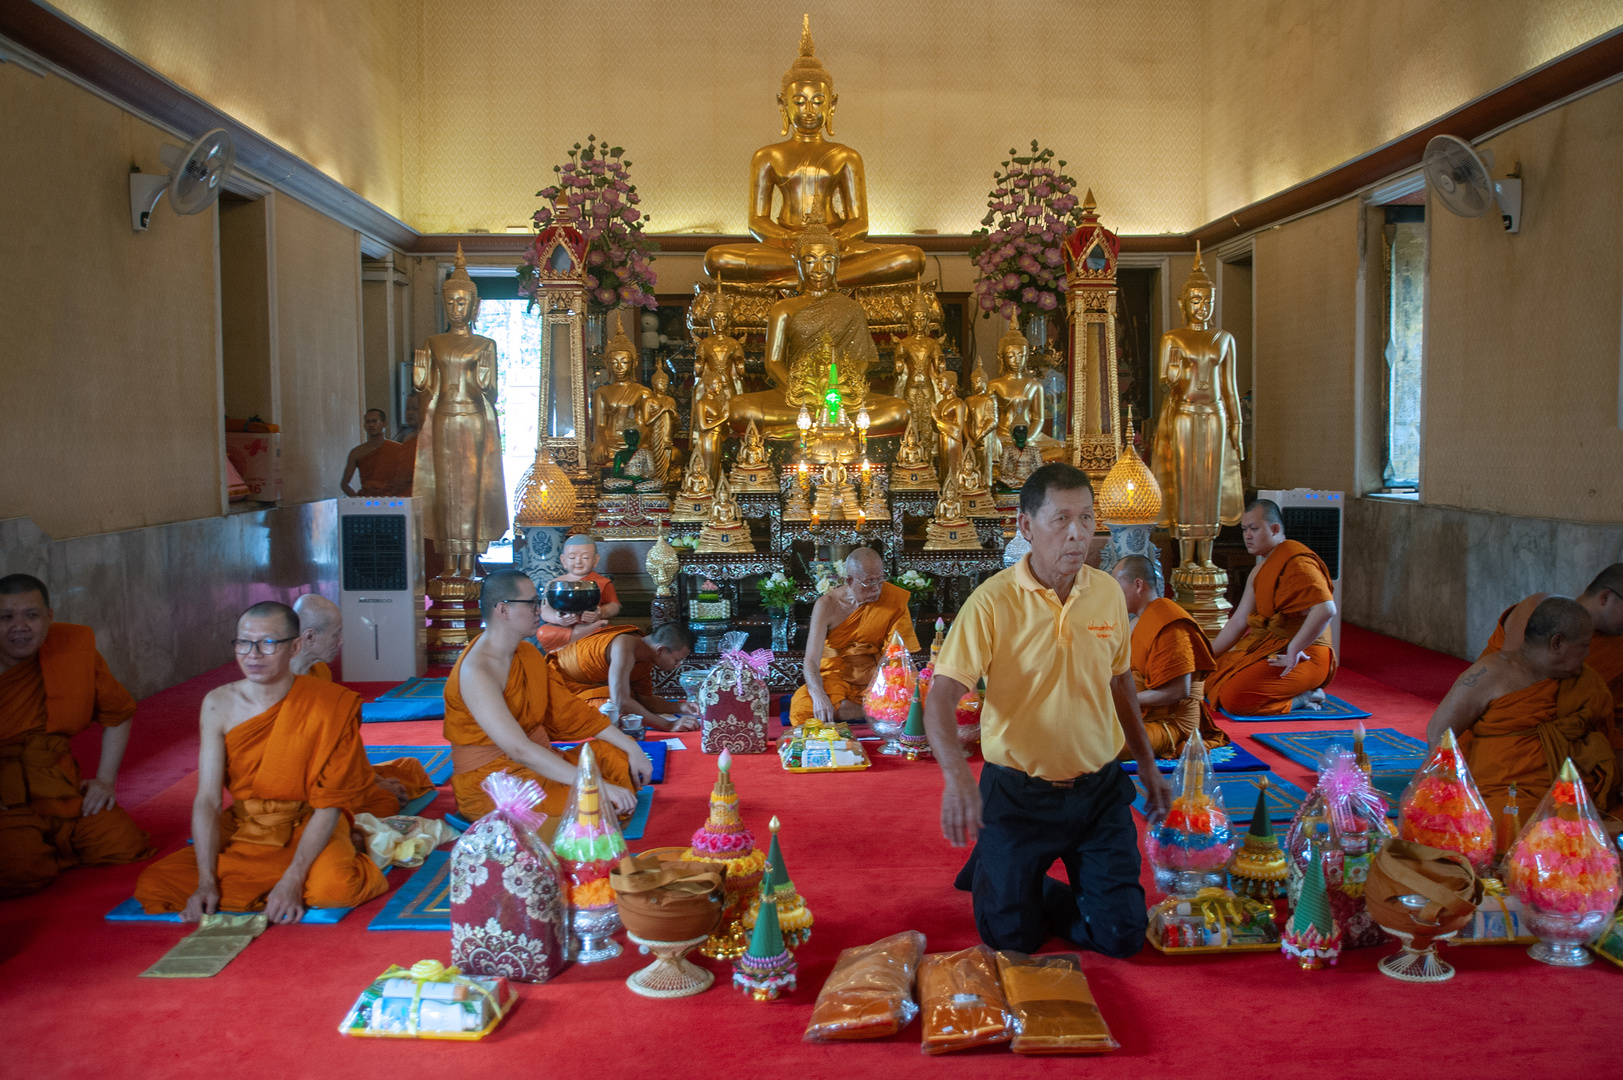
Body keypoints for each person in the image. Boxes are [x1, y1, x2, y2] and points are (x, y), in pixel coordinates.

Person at [925, 464, 1170, 956]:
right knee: (1010, 939)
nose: (1078, 533)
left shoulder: (1105, 592)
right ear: (1026, 526)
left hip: (1098, 791)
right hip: (1017, 795)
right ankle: (1003, 877)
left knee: (1122, 938)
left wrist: (1146, 764)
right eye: (1061, 520)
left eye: (1086, 518)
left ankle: (1017, 881)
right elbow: (940, 697)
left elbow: (1120, 679)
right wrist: (956, 776)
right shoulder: (991, 603)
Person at [134, 602, 390, 922]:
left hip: (307, 821)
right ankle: (304, 864)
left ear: (295, 646)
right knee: (155, 886)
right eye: (243, 642)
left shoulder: (328, 704)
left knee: (335, 889)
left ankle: (338, 849)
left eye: (268, 643)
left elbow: (329, 804)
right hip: (248, 828)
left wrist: (293, 879)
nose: (253, 654)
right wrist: (205, 881)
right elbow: (208, 799)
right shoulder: (218, 703)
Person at [441, 570, 652, 821]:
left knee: (615, 756)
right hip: (494, 783)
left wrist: (632, 747)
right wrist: (596, 785)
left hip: (539, 761)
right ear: (503, 610)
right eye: (531, 603)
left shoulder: (527, 654)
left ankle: (603, 802)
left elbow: (572, 712)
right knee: (593, 804)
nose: (540, 611)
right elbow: (519, 749)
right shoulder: (478, 671)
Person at [0, 574, 153, 897]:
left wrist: (105, 781)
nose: (20, 626)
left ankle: (47, 843)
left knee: (122, 844)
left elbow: (118, 713)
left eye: (31, 615)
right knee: (22, 871)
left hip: (60, 786)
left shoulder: (72, 650)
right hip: (6, 797)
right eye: (6, 617)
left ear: (50, 617)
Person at [1426, 596, 1618, 842]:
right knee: (1511, 828)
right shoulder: (1492, 673)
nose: (1588, 653)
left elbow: (1609, 738)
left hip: (1574, 795)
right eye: (1583, 645)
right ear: (1557, 643)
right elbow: (1438, 732)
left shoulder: (1586, 681)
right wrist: (1447, 796)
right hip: (1506, 794)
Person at [287, 593, 431, 816]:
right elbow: (310, 757)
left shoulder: (320, 672)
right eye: (336, 633)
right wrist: (371, 785)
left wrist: (372, 778)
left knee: (410, 769)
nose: (341, 640)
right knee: (386, 801)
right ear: (309, 636)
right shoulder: (282, 686)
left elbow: (344, 744)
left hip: (338, 768)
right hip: (304, 782)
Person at [1203, 499, 1337, 715]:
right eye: (1244, 529)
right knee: (1208, 677)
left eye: (1254, 529)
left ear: (1275, 529)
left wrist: (1294, 649)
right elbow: (1239, 620)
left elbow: (1326, 609)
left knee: (1234, 699)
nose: (1247, 535)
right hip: (1271, 645)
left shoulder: (1296, 560)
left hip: (1306, 654)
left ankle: (1304, 697)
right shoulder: (1261, 568)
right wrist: (1207, 656)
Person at [1110, 555, 1229, 759]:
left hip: (1170, 723)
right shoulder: (1140, 621)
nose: (1113, 594)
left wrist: (1122, 700)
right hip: (1140, 713)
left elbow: (1178, 691)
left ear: (1138, 585)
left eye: (1117, 585)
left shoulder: (1170, 625)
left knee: (1100, 747)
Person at [1478, 563, 1623, 723]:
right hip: (1509, 728)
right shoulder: (1542, 610)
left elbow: (1614, 714)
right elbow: (1511, 687)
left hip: (1575, 737)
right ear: (1605, 597)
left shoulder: (1618, 646)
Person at [791, 548, 919, 725]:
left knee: (911, 698)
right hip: (837, 674)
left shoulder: (894, 600)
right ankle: (878, 712)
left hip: (875, 674)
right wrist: (818, 694)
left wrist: (887, 688)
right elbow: (811, 659)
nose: (876, 589)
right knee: (802, 706)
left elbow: (896, 657)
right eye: (869, 582)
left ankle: (876, 709)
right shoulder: (827, 605)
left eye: (880, 581)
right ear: (849, 580)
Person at [551, 623, 701, 733]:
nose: (678, 665)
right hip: (555, 685)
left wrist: (680, 707)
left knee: (632, 703)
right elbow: (621, 702)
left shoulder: (644, 657)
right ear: (660, 649)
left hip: (582, 688)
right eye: (677, 660)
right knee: (610, 708)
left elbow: (643, 699)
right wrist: (668, 725)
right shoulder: (624, 645)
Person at [536, 536, 622, 652]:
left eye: (585, 557)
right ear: (563, 560)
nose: (578, 561)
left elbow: (614, 605)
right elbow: (545, 609)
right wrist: (558, 619)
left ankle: (570, 645)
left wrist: (600, 613)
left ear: (595, 560)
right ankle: (574, 640)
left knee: (609, 636)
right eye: (572, 557)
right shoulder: (554, 584)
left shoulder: (603, 582)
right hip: (564, 628)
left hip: (593, 625)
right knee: (544, 633)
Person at [340, 409, 404, 497]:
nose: (371, 425)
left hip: (392, 500)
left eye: (374, 421)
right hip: (367, 500)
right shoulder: (357, 452)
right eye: (368, 422)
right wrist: (357, 501)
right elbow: (345, 483)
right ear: (364, 426)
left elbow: (407, 479)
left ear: (384, 424)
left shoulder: (398, 449)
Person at [290, 593, 342, 681]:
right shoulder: (276, 678)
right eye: (335, 634)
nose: (341, 642)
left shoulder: (322, 671)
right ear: (310, 637)